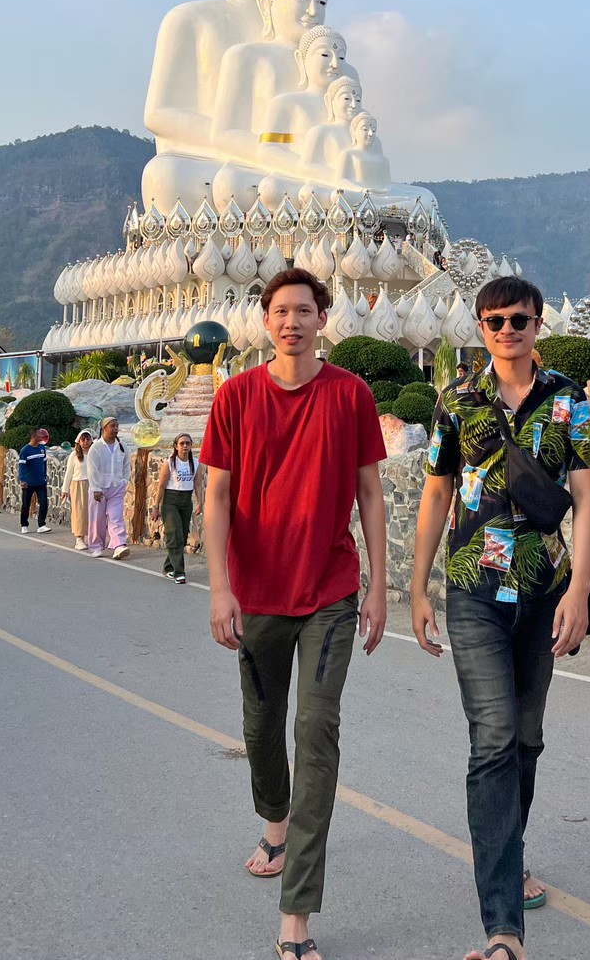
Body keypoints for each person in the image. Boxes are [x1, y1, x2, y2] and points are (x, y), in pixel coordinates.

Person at [411, 277, 590, 960]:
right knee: (492, 738)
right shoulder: (457, 398)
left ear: (537, 322)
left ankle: (509, 850)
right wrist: (418, 586)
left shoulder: (567, 398)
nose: (506, 330)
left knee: (525, 737)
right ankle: (502, 927)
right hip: (472, 589)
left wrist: (579, 589)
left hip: (544, 591)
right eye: (493, 320)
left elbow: (587, 495)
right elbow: (436, 492)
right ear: (481, 326)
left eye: (518, 319)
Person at [201, 267, 388, 960]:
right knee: (261, 724)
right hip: (256, 593)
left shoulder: (350, 394)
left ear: (321, 318)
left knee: (316, 729)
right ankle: (274, 820)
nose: (292, 322)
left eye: (304, 310)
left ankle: (297, 913)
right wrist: (220, 589)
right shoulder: (236, 396)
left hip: (330, 590)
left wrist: (378, 585)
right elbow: (217, 498)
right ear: (265, 320)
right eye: (280, 311)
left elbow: (370, 492)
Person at [153, 433, 203, 583]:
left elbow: (198, 484)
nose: (185, 446)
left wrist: (200, 502)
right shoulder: (170, 463)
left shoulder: (195, 463)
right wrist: (156, 506)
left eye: (188, 443)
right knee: (174, 534)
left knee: (181, 536)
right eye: (182, 443)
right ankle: (179, 572)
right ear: (176, 446)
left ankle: (168, 567)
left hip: (186, 501)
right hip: (171, 501)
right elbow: (161, 486)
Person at [85, 417, 131, 560]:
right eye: (112, 426)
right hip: (99, 488)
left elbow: (126, 466)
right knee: (97, 519)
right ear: (104, 428)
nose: (116, 429)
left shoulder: (122, 446)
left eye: (117, 426)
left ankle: (119, 545)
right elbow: (92, 469)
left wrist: (124, 480)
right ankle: (96, 546)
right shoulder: (96, 447)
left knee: (116, 517)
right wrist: (96, 488)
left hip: (116, 487)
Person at [61, 430, 93, 550]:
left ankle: (92, 537)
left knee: (92, 512)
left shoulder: (94, 453)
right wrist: (65, 490)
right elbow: (69, 473)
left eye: (88, 439)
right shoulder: (74, 455)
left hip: (92, 485)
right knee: (79, 512)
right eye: (83, 440)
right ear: (78, 441)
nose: (85, 442)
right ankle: (79, 539)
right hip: (78, 485)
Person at [18, 428, 52, 534]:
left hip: (40, 482)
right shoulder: (25, 450)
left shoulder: (42, 448)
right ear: (34, 436)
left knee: (44, 503)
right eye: (39, 434)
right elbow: (22, 466)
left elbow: (44, 463)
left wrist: (45, 476)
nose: (42, 436)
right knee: (26, 504)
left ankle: (41, 524)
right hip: (28, 483)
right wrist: (23, 480)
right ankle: (24, 525)